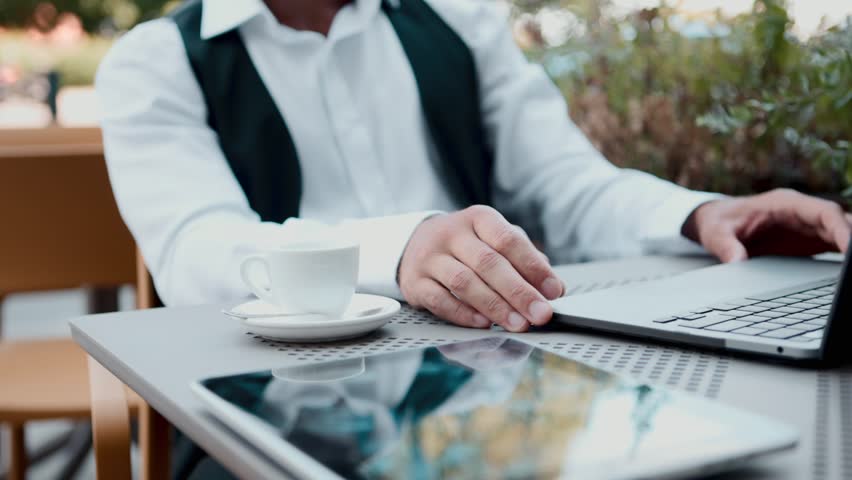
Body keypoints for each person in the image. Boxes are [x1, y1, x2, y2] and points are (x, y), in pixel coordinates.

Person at [97, 0, 851, 334]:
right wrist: (403, 248)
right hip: (262, 400)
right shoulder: (156, 62)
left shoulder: (460, 21)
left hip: (491, 367)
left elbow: (564, 185)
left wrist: (699, 214)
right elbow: (197, 253)